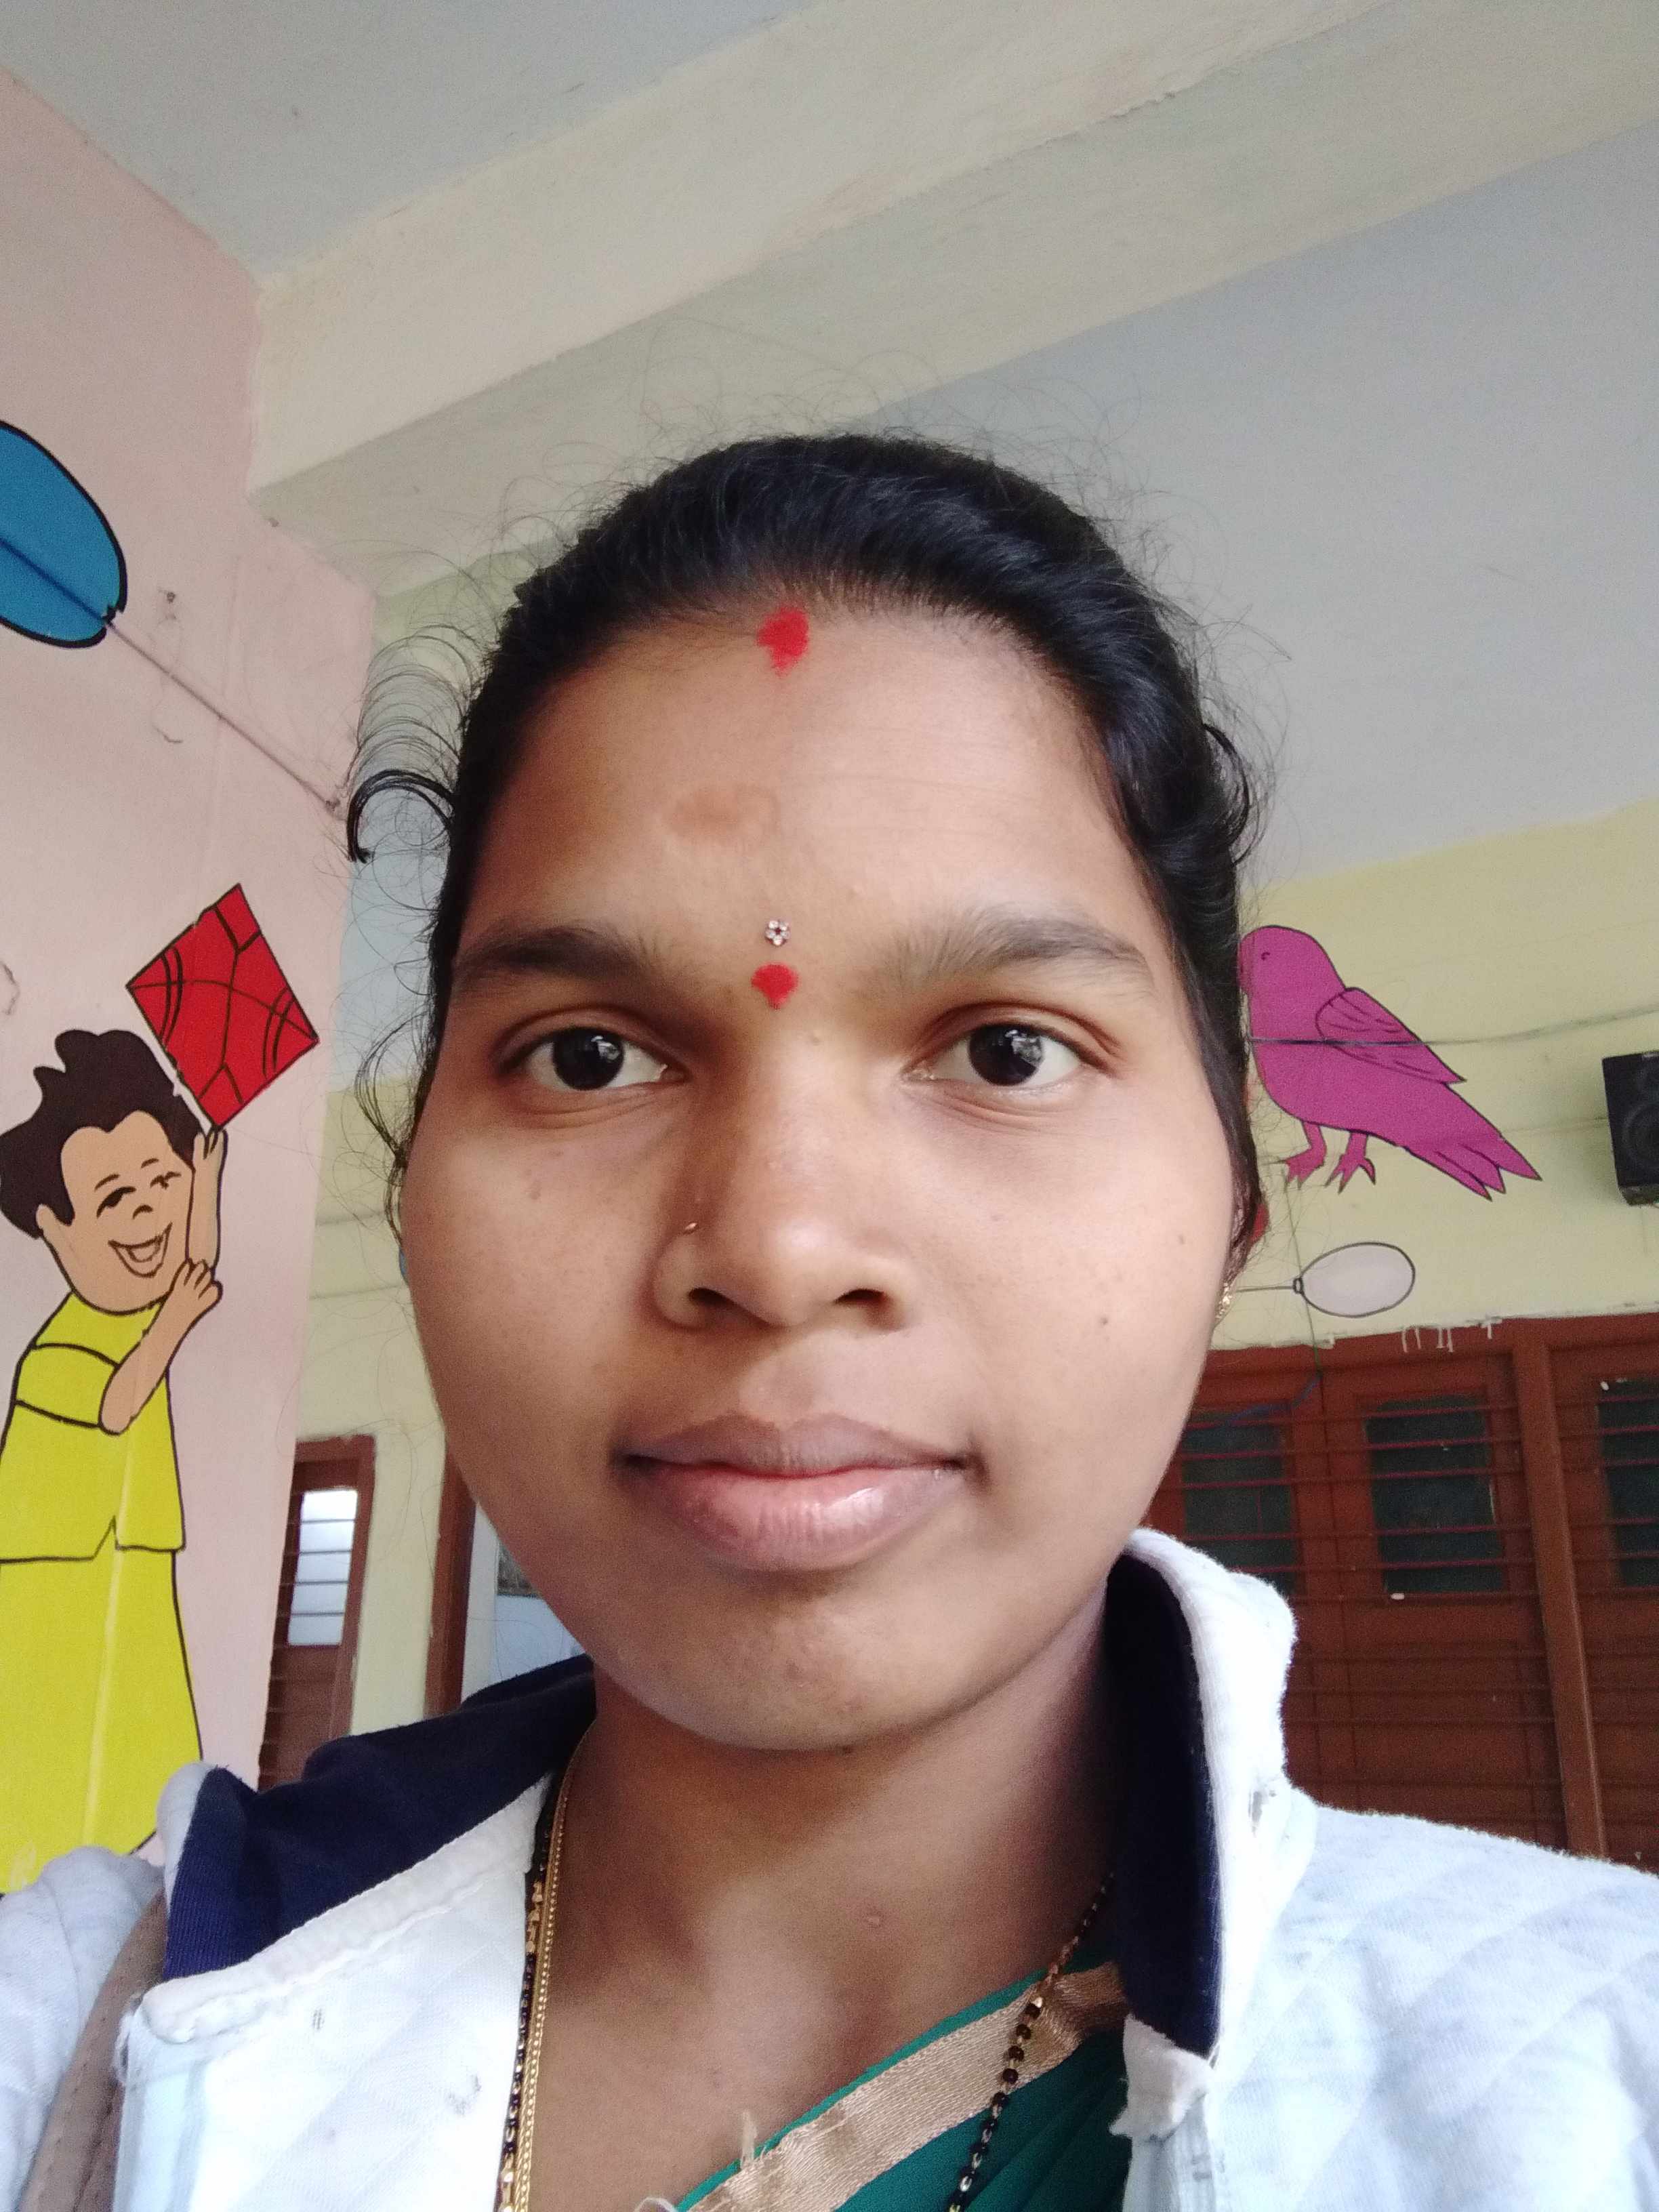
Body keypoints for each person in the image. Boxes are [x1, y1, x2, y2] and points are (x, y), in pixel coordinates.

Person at [1, 435, 1654, 2212]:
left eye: (1005, 1050)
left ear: (1235, 1197)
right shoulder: (77, 2043)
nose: (779, 1253)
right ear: (413, 1195)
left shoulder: (1594, 2085)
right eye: (589, 1057)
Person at [0, 1030, 218, 1891]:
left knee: (133, 1764)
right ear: (55, 1228)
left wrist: (209, 1179)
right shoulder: (59, 1351)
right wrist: (177, 1322)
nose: (147, 1213)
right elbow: (118, 1400)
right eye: (114, 1198)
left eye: (162, 1180)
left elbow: (193, 1262)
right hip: (50, 1588)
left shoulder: (142, 1306)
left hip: (128, 1560)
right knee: (44, 1767)